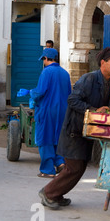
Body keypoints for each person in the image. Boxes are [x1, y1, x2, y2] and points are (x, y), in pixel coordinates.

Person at [39, 47, 110, 209]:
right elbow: (73, 100)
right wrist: (95, 110)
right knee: (73, 167)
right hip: (74, 130)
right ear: (103, 63)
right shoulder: (88, 79)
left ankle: (57, 194)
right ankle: (48, 193)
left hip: (86, 132)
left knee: (79, 167)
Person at [30, 48, 71, 178]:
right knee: (58, 137)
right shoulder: (65, 73)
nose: (43, 61)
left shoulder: (46, 72)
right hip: (62, 111)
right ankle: (60, 163)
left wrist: (30, 93)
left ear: (46, 58)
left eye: (43, 59)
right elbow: (69, 94)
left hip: (47, 110)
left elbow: (40, 92)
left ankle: (47, 170)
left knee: (45, 138)